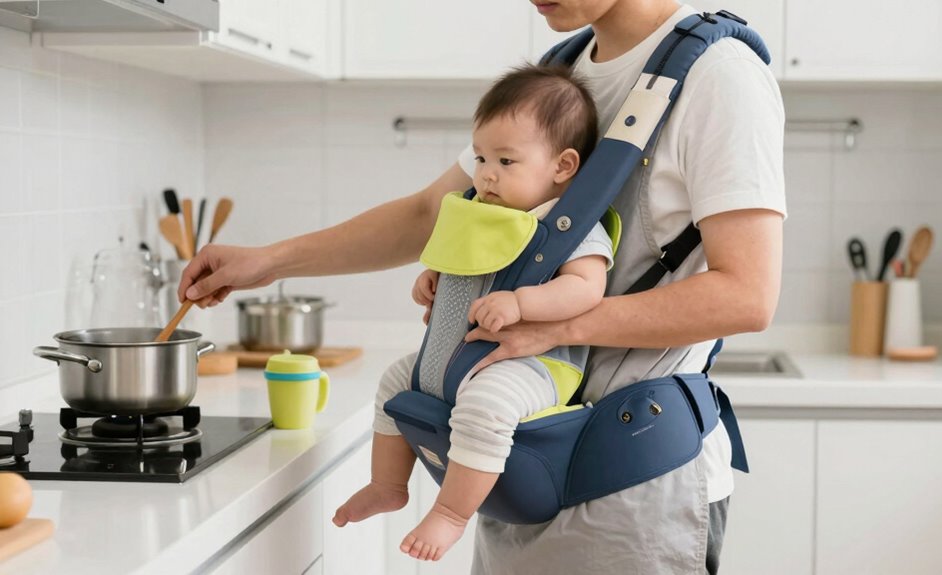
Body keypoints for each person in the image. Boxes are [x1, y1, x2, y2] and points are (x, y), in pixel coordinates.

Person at [177, 1, 785, 572]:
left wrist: (556, 322)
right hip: (511, 468)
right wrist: (270, 261)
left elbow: (746, 296)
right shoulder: (559, 73)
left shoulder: (718, 78)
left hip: (631, 486)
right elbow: (429, 214)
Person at [331, 64, 612, 562]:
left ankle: (451, 514)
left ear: (562, 166)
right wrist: (433, 278)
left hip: (537, 368)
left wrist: (523, 303)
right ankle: (388, 483)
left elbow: (586, 289)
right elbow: (457, 264)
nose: (485, 173)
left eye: (506, 160)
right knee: (394, 382)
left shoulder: (569, 227)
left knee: (485, 409)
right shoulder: (475, 211)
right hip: (450, 356)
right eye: (481, 156)